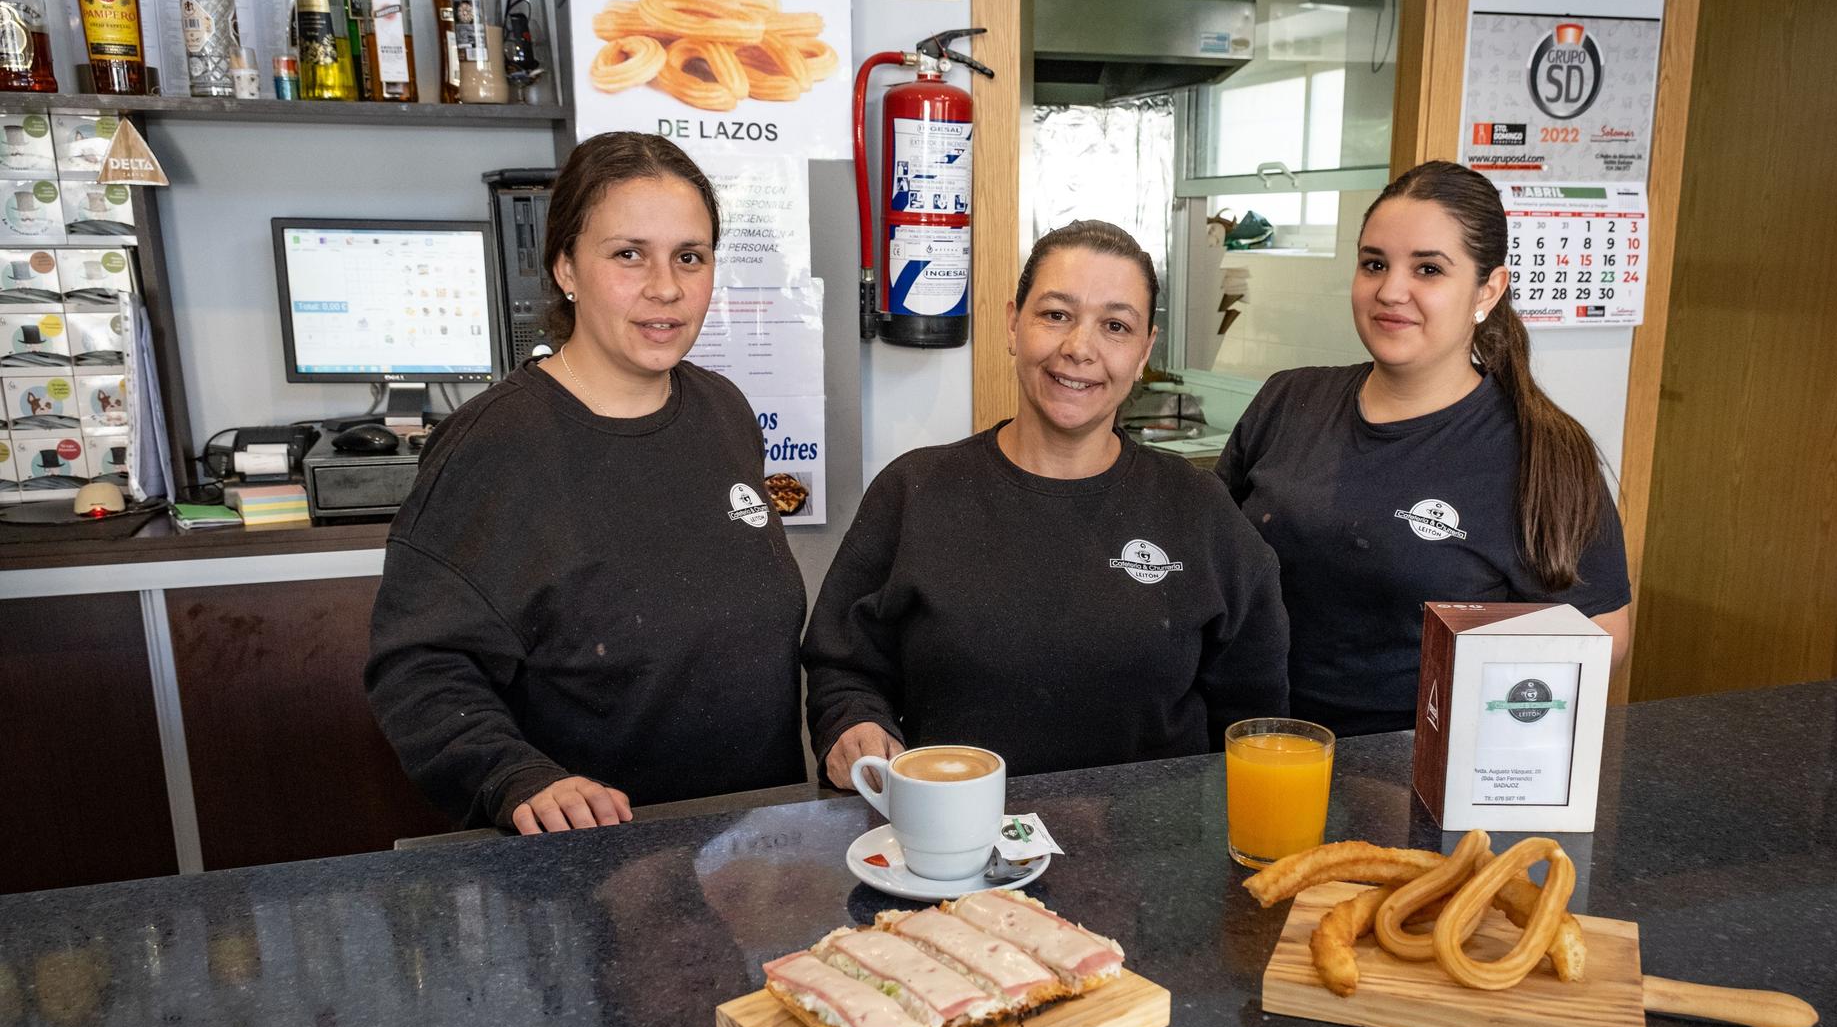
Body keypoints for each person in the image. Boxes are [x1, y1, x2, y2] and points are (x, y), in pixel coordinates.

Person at [366, 132, 806, 835]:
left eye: (688, 257)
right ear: (566, 266)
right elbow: (421, 667)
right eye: (628, 254)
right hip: (592, 865)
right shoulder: (496, 444)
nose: (665, 287)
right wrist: (515, 775)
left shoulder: (723, 410)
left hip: (749, 851)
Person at [804, 219, 1289, 789]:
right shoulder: (916, 490)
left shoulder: (1198, 509)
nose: (1079, 349)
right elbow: (843, 670)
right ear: (1013, 324)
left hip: (1151, 857)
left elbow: (1255, 725)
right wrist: (854, 725)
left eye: (1115, 325)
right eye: (1055, 315)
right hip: (953, 856)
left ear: (1144, 350)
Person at [1218, 160, 1632, 739]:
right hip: (1253, 749)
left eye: (1429, 269)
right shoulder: (1289, 399)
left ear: (1488, 288)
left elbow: (1602, 635)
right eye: (1374, 264)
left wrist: (1462, 749)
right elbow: (1211, 561)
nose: (1391, 290)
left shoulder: (1545, 454)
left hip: (1410, 779)